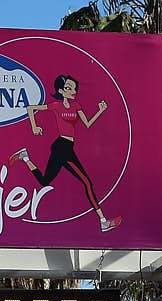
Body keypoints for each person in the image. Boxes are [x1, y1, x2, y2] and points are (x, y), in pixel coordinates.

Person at [13, 74, 118, 234]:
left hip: (67, 147)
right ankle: (103, 221)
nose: (73, 91)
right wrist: (34, 126)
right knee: (87, 183)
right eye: (69, 88)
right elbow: (30, 108)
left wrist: (100, 111)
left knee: (45, 181)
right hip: (62, 147)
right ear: (61, 91)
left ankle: (25, 157)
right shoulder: (56, 105)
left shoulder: (76, 106)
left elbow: (88, 124)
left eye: (74, 88)